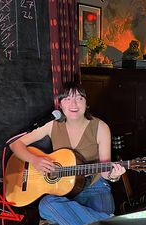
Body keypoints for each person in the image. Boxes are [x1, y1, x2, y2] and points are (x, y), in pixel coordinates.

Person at [9, 82, 126, 225]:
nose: (74, 104)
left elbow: (105, 171)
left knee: (58, 213)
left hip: (95, 188)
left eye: (79, 98)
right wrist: (34, 160)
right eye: (67, 99)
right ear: (60, 105)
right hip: (62, 191)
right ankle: (105, 222)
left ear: (86, 103)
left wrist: (113, 176)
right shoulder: (51, 124)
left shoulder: (100, 127)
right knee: (46, 205)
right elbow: (16, 144)